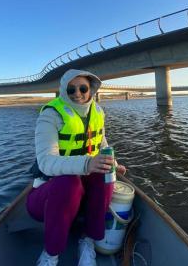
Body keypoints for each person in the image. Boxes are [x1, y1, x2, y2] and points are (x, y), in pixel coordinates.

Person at [26, 69, 126, 266]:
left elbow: (102, 146)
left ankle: (87, 240)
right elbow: (46, 161)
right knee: (69, 182)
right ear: (64, 91)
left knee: (104, 173)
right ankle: (51, 255)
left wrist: (113, 164)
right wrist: (88, 163)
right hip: (47, 197)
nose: (78, 94)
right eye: (71, 89)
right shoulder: (51, 115)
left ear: (91, 89)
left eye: (83, 88)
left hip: (83, 196)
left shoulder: (97, 111)